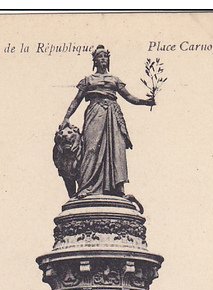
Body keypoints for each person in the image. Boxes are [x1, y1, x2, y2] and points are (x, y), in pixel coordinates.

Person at [60, 44, 155, 198]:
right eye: (100, 56)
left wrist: (146, 102)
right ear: (95, 60)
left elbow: (130, 97)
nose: (103, 58)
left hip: (113, 113)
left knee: (116, 149)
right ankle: (86, 186)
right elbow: (76, 100)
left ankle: (116, 189)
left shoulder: (114, 80)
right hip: (95, 111)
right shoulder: (88, 80)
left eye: (105, 56)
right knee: (90, 148)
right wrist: (66, 117)